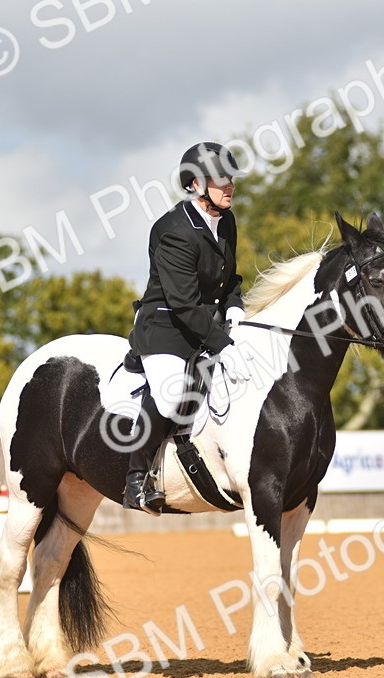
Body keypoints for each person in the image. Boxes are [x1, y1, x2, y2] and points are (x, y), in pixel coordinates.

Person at [123, 142, 253, 514]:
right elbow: (183, 303)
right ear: (196, 184)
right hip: (166, 325)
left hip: (207, 322)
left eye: (231, 179)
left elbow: (230, 279)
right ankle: (136, 480)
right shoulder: (174, 230)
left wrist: (235, 308)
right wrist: (223, 344)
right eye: (220, 179)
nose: (229, 186)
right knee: (170, 393)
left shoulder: (226, 221)